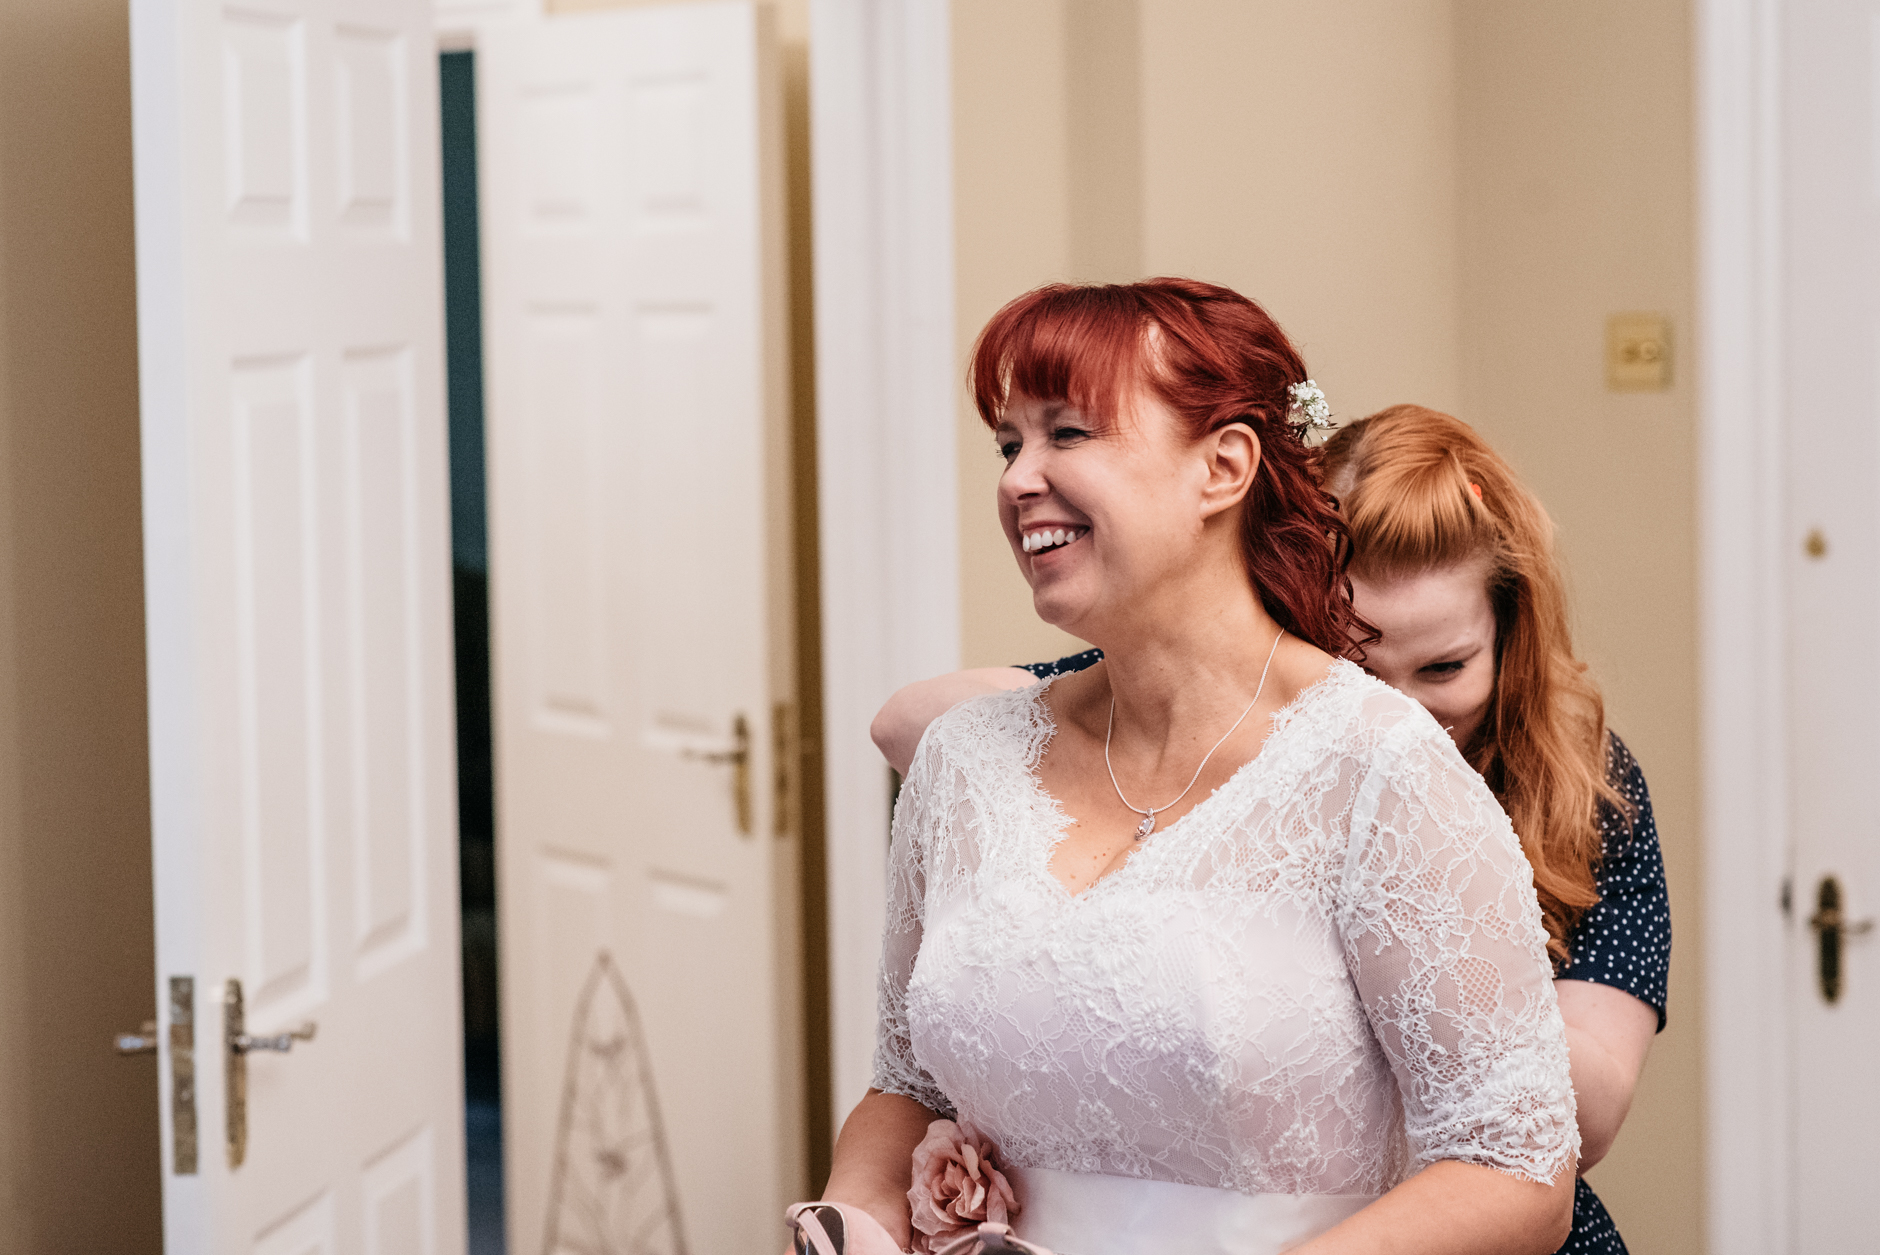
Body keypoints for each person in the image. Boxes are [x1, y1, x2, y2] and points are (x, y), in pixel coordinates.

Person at [814, 280, 1579, 1255]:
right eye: (1011, 445)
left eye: (1069, 434)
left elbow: (1514, 1172)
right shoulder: (962, 762)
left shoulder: (1379, 768)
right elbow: (906, 1088)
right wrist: (852, 1212)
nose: (1016, 479)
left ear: (1222, 467)